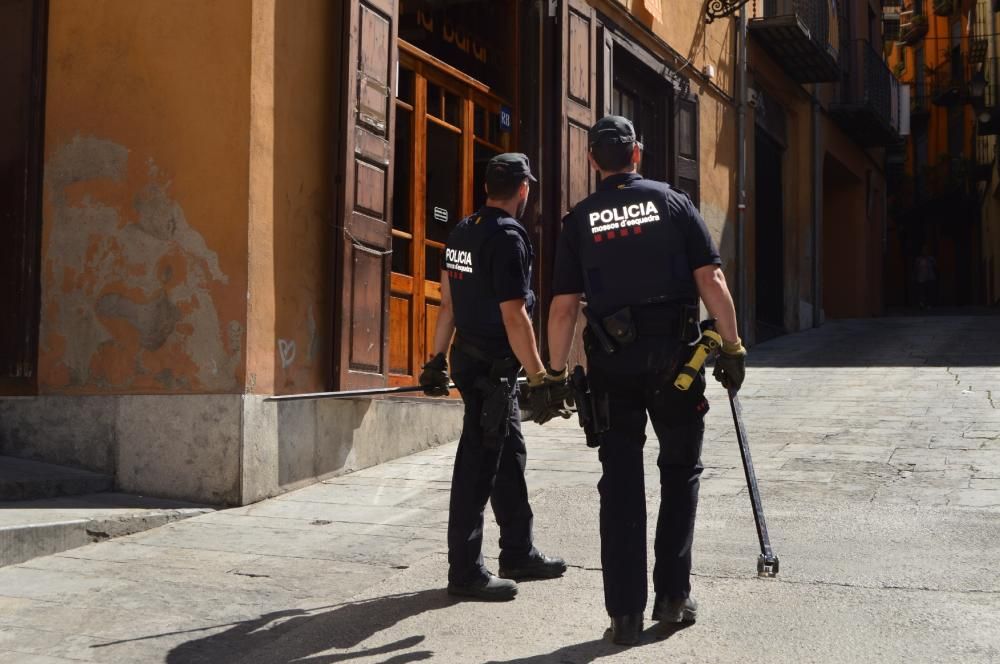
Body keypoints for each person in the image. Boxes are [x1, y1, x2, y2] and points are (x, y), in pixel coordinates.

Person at [542, 116, 746, 644]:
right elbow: (711, 279)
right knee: (680, 472)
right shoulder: (674, 202)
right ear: (638, 153)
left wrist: (552, 375)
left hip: (612, 368)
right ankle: (673, 598)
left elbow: (563, 309)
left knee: (621, 486)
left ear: (593, 161)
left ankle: (624, 615)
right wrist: (732, 344)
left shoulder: (579, 220)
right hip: (678, 365)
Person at [419, 153, 569, 601]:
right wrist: (541, 377)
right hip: (492, 369)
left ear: (487, 187)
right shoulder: (508, 238)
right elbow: (514, 315)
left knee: (510, 454)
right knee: (477, 466)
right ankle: (464, 571)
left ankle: (518, 551)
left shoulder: (462, 231)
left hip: (469, 358)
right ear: (523, 189)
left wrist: (436, 359)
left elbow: (447, 305)